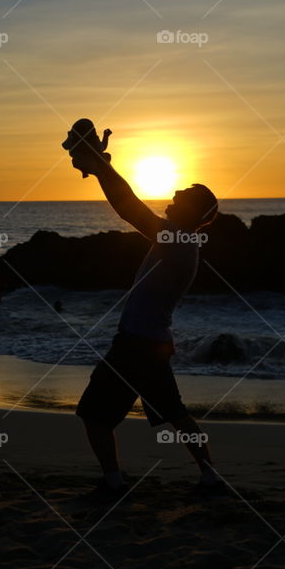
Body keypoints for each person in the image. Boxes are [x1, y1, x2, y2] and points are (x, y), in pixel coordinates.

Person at [70, 128, 223, 499]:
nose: (174, 194)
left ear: (192, 210)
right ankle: (210, 477)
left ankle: (113, 483)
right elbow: (130, 206)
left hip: (137, 346)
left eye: (182, 195)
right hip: (153, 345)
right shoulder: (178, 240)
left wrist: (103, 166)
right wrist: (101, 166)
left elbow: (128, 207)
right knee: (175, 413)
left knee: (94, 415)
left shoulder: (177, 240)